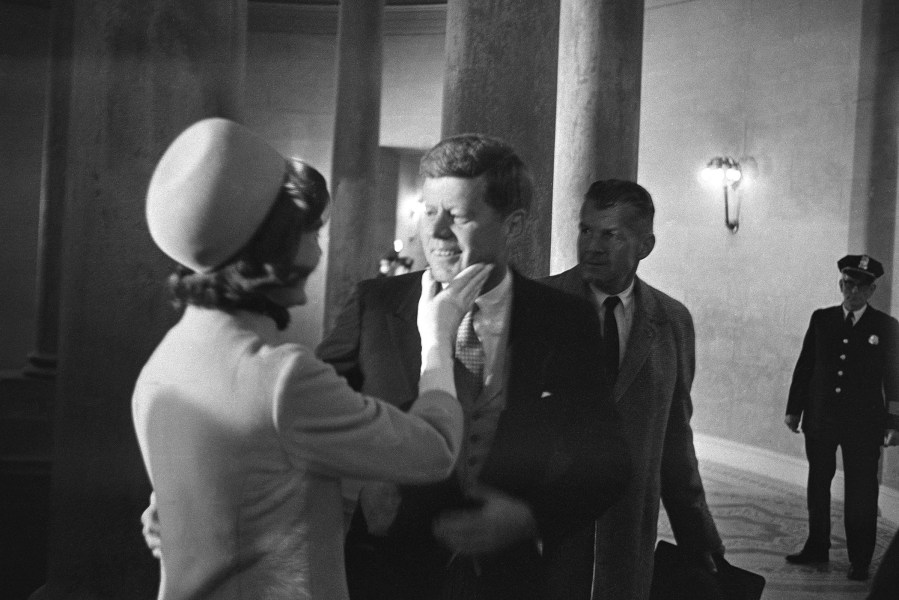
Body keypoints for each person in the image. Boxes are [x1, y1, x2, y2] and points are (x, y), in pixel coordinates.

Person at [134, 118, 494, 599]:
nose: (319, 247)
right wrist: (436, 339)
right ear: (276, 245)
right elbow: (434, 451)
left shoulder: (164, 361)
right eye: (311, 230)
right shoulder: (280, 378)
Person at [317, 134, 631, 600]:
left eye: (458, 216)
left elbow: (608, 458)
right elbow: (307, 414)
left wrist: (531, 516)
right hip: (385, 570)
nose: (436, 233)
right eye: (429, 211)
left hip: (507, 579)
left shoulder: (563, 320)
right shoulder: (377, 306)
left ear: (514, 225)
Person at [542, 179, 724, 600]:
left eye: (611, 234)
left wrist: (697, 535)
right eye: (586, 230)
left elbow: (675, 441)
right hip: (545, 531)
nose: (592, 245)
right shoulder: (538, 304)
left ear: (645, 245)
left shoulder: (672, 322)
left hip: (625, 537)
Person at [784, 254, 899, 581]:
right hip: (820, 417)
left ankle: (860, 560)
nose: (853, 292)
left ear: (872, 289)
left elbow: (894, 378)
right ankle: (816, 546)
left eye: (861, 286)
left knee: (862, 491)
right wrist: (795, 409)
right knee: (818, 483)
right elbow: (805, 366)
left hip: (863, 425)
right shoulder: (822, 319)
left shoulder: (886, 327)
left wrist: (895, 423)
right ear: (841, 284)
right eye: (848, 284)